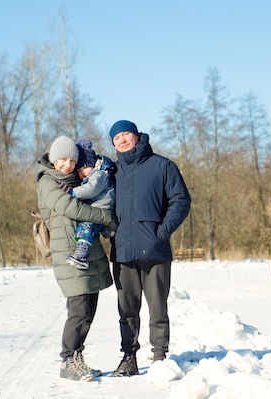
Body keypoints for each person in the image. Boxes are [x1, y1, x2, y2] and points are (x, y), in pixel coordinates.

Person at [108, 120, 191, 377]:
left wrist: (163, 232)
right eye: (116, 138)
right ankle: (129, 357)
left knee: (158, 306)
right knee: (127, 310)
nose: (122, 140)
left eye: (126, 134)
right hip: (122, 252)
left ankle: (159, 357)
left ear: (137, 135)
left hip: (155, 251)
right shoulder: (111, 173)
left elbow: (181, 200)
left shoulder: (162, 166)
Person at [35, 135, 115, 382]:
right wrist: (106, 218)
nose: (67, 164)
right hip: (69, 253)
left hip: (86, 251)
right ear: (53, 158)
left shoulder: (76, 179)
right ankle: (68, 360)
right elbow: (71, 208)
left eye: (72, 160)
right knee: (78, 310)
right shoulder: (48, 182)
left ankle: (77, 358)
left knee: (89, 308)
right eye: (62, 159)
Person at [59, 138, 117, 269]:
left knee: (86, 227)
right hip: (98, 212)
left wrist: (73, 192)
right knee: (85, 228)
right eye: (78, 171)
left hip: (102, 210)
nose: (81, 172)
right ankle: (81, 253)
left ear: (93, 163)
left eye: (84, 168)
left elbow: (91, 189)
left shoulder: (100, 175)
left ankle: (81, 256)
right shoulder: (93, 175)